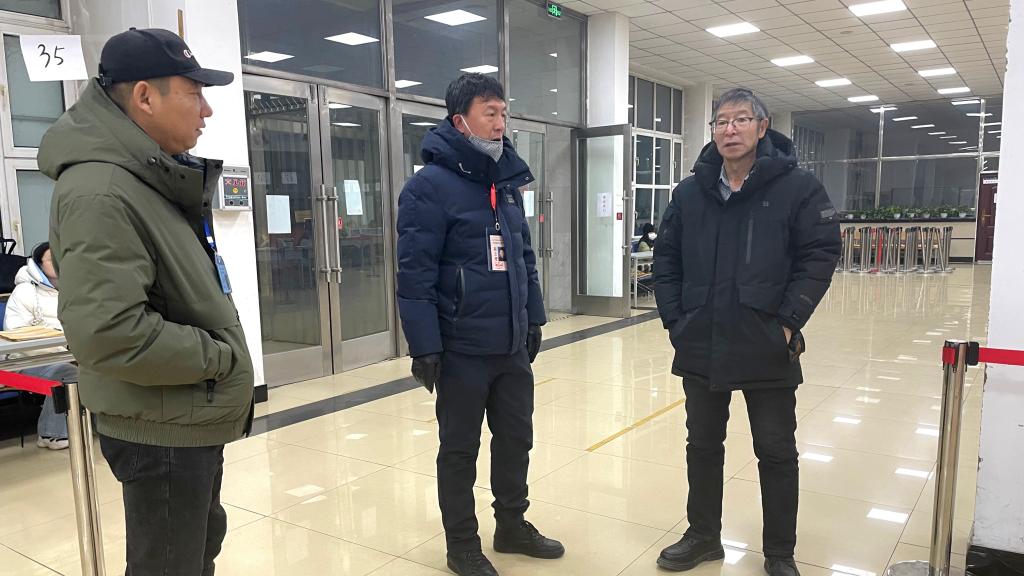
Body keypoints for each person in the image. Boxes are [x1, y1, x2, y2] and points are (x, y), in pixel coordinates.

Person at [39, 28, 254, 576]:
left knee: (196, 553)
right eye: (194, 93)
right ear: (144, 97)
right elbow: (110, 333)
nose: (206, 110)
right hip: (161, 425)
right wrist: (219, 358)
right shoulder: (102, 190)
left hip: (181, 411)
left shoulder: (145, 177)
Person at [653, 88, 841, 575]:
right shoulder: (690, 193)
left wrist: (788, 322)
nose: (729, 129)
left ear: (762, 126)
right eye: (721, 121)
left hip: (767, 342)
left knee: (776, 452)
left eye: (740, 120)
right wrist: (675, 320)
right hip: (702, 338)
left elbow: (820, 255)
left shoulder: (797, 188)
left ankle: (779, 552)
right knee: (702, 446)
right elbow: (666, 260)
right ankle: (703, 536)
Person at [396, 73, 562, 576]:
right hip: (461, 347)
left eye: (503, 113)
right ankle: (462, 545)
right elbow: (415, 274)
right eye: (490, 113)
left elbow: (524, 257)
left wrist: (533, 318)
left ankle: (511, 525)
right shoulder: (428, 188)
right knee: (460, 449)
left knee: (516, 440)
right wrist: (425, 346)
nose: (500, 123)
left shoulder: (504, 184)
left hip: (510, 345)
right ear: (459, 120)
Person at [3, 242, 72, 450]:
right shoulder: (24, 292)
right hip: (25, 361)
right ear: (38, 264)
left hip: (67, 355)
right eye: (51, 259)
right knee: (67, 373)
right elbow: (16, 334)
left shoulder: (73, 290)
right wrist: (61, 349)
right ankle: (51, 433)